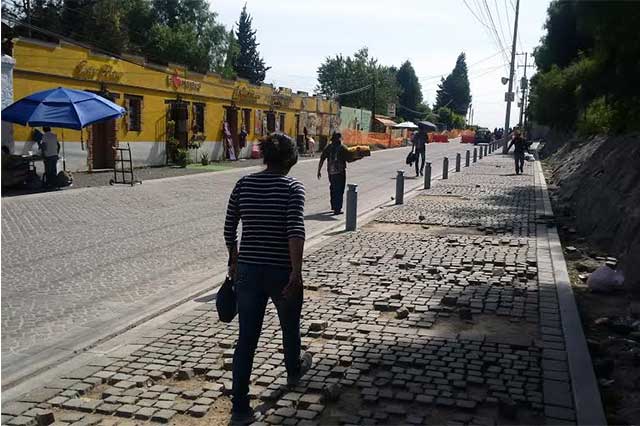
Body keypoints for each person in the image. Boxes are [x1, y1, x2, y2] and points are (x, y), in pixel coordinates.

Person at [224, 132, 312, 425]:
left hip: (248, 271)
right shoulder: (292, 188)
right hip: (281, 271)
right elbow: (295, 232)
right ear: (290, 159)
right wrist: (296, 273)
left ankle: (239, 407)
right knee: (289, 327)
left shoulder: (244, 184)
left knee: (246, 338)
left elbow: (229, 225)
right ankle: (292, 372)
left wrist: (234, 258)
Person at [318, 132, 349, 215]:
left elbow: (322, 158)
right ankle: (337, 209)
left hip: (331, 172)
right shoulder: (342, 148)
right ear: (339, 139)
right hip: (340, 172)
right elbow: (350, 158)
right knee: (339, 190)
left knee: (333, 188)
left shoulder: (328, 147)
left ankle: (333, 206)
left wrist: (319, 170)